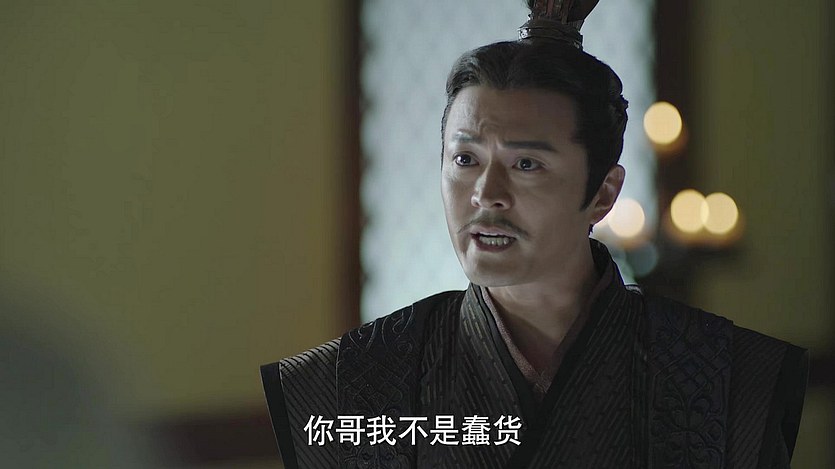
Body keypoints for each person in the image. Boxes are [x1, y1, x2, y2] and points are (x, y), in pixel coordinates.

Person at [261, 1, 808, 467]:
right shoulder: (346, 383)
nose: (486, 194)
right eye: (466, 159)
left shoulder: (733, 379)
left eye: (527, 164)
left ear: (604, 193)